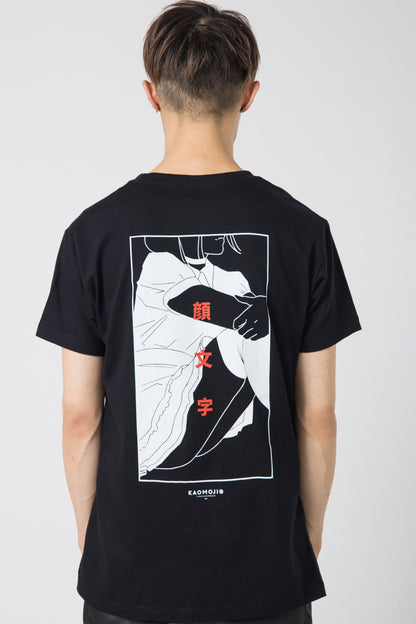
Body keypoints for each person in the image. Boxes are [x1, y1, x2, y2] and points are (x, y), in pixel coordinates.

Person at [35, 2, 362, 623]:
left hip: (130, 571)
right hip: (265, 573)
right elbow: (317, 415)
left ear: (151, 95)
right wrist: (306, 540)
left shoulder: (93, 234)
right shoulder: (303, 232)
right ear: (250, 95)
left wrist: (95, 540)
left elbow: (79, 417)